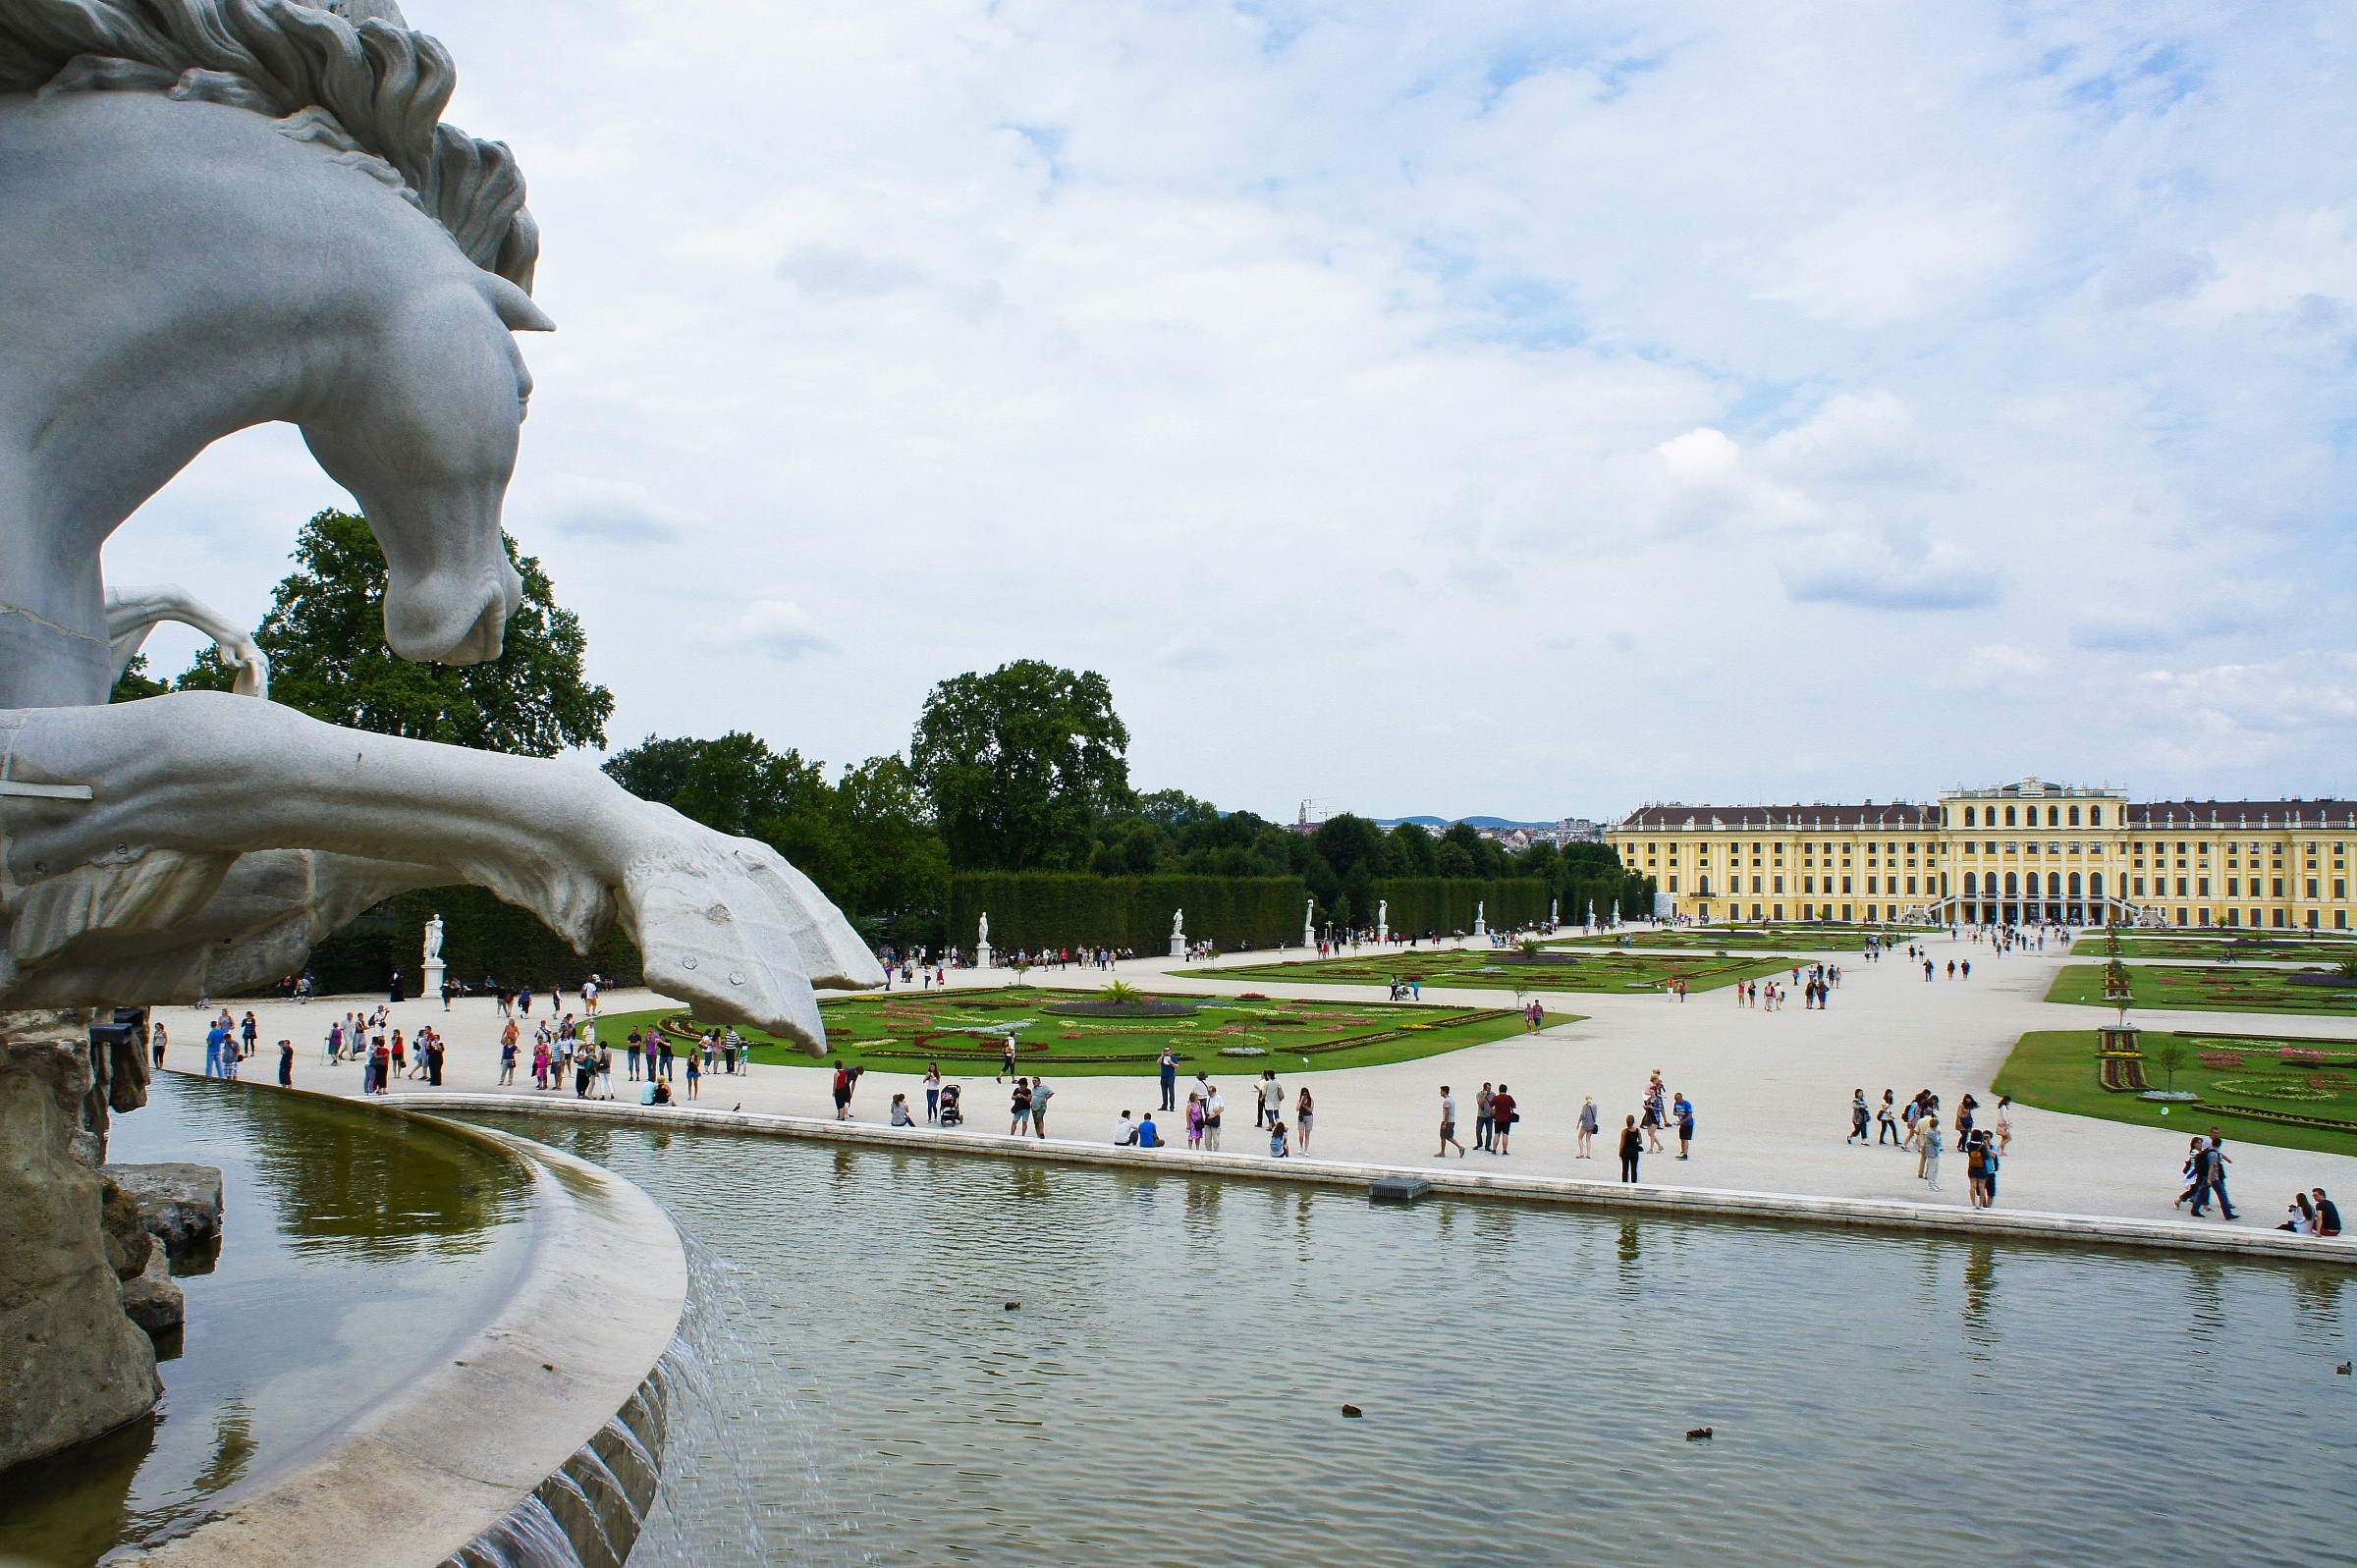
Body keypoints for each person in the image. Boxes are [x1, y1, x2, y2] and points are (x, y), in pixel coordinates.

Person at [1437, 1086, 1466, 1158]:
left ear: (1444, 1091)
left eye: (1441, 1091)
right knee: (1449, 1137)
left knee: (1443, 1136)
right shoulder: (1451, 1100)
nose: (1440, 1092)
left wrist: (1445, 1123)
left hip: (1447, 1121)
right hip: (1451, 1121)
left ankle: (1443, 1152)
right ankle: (1459, 1147)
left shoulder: (1446, 1101)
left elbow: (1447, 1112)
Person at [1490, 1083, 1516, 1155]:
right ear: (1506, 1090)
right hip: (1507, 1119)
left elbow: (1491, 1105)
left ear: (1499, 1090)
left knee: (1497, 1134)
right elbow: (1514, 1106)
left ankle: (1494, 1149)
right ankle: (1504, 1150)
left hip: (1497, 1118)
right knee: (1505, 1135)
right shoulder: (1509, 1097)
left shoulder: (1496, 1098)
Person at [1617, 1114, 1642, 1182]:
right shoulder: (1637, 1130)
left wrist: (1620, 1152)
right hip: (1634, 1151)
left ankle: (1624, 1183)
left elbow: (1622, 1143)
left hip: (1625, 1151)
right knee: (1634, 1169)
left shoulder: (1624, 1131)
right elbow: (1640, 1141)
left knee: (1625, 1169)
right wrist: (1635, 1143)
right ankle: (1634, 1183)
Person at [1474, 1082, 1495, 1153]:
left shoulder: (1493, 1094)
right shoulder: (1479, 1094)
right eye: (1488, 1089)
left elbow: (1496, 1104)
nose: (1489, 1090)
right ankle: (1479, 1143)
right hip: (1481, 1115)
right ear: (1484, 1088)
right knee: (1478, 1130)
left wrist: (1494, 1111)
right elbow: (1480, 1104)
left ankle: (1487, 1145)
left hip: (1489, 1116)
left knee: (1489, 1131)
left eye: (1490, 1088)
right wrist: (1484, 1096)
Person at [1202, 1084, 1224, 1152]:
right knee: (1207, 1139)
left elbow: (1222, 1108)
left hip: (1215, 1118)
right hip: (1208, 1117)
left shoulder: (1219, 1098)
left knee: (1216, 1138)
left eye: (1210, 1091)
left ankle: (1216, 1151)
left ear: (1214, 1091)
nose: (1208, 1093)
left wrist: (1214, 1115)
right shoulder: (1207, 1098)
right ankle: (1208, 1151)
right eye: (1208, 1091)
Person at [1673, 1092, 1694, 1161]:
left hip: (1688, 1124)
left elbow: (1690, 1116)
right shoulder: (1676, 1103)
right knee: (1681, 1138)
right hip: (1681, 1123)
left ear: (1681, 1098)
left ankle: (1685, 1154)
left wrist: (1682, 1122)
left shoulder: (1687, 1104)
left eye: (1677, 1099)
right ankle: (1682, 1152)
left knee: (1685, 1139)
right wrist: (1677, 1113)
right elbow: (1674, 1112)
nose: (1676, 1101)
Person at [1159, 1047, 1178, 1112]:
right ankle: (1164, 1105)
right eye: (1165, 1050)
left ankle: (1172, 1106)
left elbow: (1177, 1066)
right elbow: (1158, 1062)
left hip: (1170, 1076)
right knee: (1164, 1092)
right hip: (1163, 1076)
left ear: (1170, 1051)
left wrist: (1171, 1063)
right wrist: (1162, 1056)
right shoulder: (1163, 1058)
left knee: (1171, 1091)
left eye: (1167, 1050)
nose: (1166, 1052)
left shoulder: (1173, 1058)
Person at [1295, 1086, 1314, 1152]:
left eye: (1306, 1094)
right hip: (1301, 1117)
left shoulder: (1311, 1100)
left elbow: (1311, 1110)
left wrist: (1306, 1107)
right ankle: (1301, 1146)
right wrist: (1301, 1102)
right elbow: (1297, 1109)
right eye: (1303, 1094)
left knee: (1307, 1135)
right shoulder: (1299, 1100)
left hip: (1309, 1117)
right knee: (1301, 1134)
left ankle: (1306, 1149)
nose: (1305, 1096)